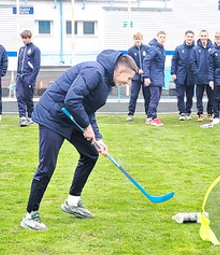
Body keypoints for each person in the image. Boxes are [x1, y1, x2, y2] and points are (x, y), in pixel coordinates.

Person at [21, 50, 139, 231]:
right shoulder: (94, 71)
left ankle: (72, 202)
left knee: (91, 153)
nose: (128, 83)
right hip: (52, 116)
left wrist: (98, 138)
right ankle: (30, 215)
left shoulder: (106, 83)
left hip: (70, 116)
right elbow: (72, 99)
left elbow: (88, 108)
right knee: (47, 166)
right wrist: (86, 126)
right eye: (129, 79)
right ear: (120, 72)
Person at [141, 30, 168, 126]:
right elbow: (146, 62)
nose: (162, 39)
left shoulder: (161, 49)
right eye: (160, 37)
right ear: (157, 38)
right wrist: (146, 77)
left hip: (159, 77)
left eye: (164, 37)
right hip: (153, 78)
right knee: (154, 98)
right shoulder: (154, 49)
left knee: (156, 98)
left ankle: (154, 116)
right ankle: (149, 118)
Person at [16, 30, 42, 126]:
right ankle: (22, 117)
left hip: (29, 77)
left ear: (29, 38)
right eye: (22, 38)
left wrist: (32, 79)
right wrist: (17, 75)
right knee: (20, 96)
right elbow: (19, 63)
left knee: (28, 98)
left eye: (25, 38)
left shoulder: (35, 50)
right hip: (20, 77)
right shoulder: (22, 49)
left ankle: (31, 116)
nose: (24, 40)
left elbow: (36, 66)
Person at [170, 30, 197, 121]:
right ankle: (181, 112)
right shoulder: (178, 48)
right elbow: (174, 61)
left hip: (191, 76)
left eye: (191, 37)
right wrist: (173, 73)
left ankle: (188, 112)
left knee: (190, 96)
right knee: (180, 95)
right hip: (180, 75)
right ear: (185, 37)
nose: (189, 38)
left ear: (193, 38)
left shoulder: (196, 49)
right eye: (188, 37)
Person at [125, 32, 148, 121]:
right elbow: (130, 63)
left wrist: (145, 72)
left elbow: (148, 62)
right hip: (135, 78)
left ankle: (148, 114)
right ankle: (130, 113)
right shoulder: (130, 50)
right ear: (133, 40)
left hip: (145, 77)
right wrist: (138, 70)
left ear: (142, 39)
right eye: (136, 39)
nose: (137, 41)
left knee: (147, 96)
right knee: (133, 96)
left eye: (139, 39)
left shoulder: (146, 49)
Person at [192, 29, 215, 121]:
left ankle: (210, 113)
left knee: (211, 96)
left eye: (205, 36)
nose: (203, 38)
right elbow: (193, 62)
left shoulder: (213, 48)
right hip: (199, 78)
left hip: (210, 78)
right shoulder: (196, 49)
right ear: (200, 37)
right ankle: (200, 113)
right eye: (202, 36)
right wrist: (196, 72)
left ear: (208, 37)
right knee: (199, 96)